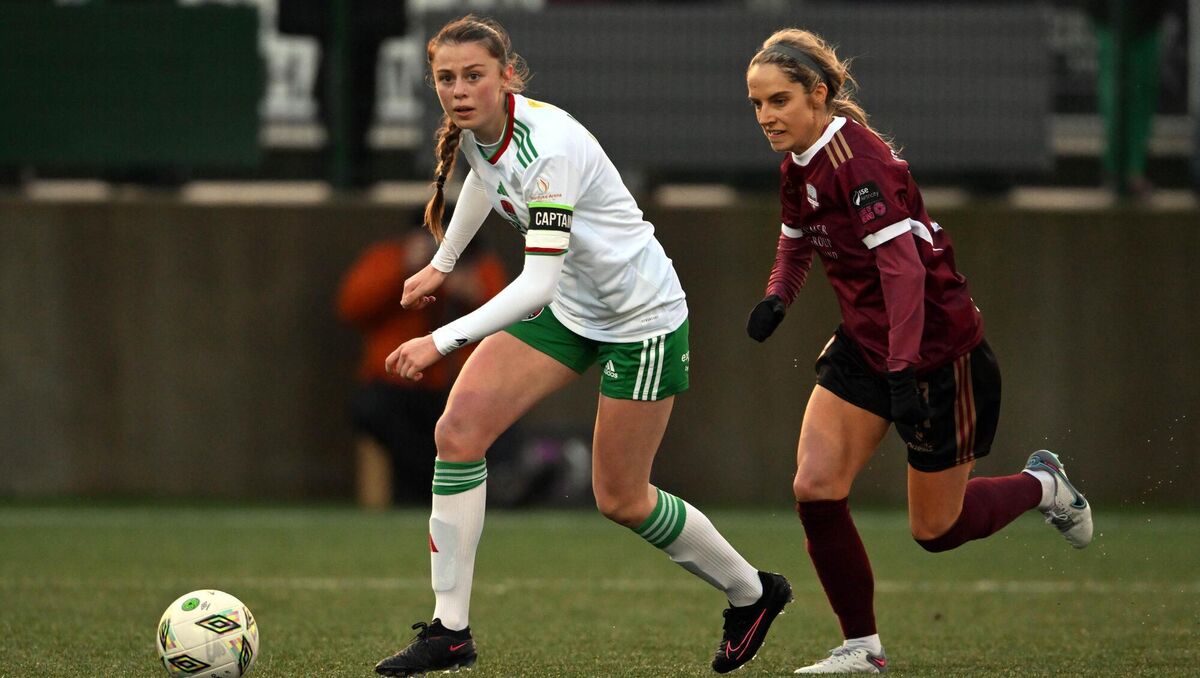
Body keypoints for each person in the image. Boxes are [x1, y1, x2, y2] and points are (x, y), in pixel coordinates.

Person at [373, 15, 792, 676]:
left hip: (640, 321)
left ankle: (753, 593)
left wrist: (441, 339)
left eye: (474, 75)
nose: (459, 89)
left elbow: (533, 284)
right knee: (457, 432)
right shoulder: (480, 130)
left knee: (621, 499)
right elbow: (483, 180)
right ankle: (450, 632)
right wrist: (444, 262)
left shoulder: (548, 146)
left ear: (506, 76)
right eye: (446, 78)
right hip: (571, 308)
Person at [742, 29, 1094, 673]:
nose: (765, 116)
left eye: (779, 100)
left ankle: (1042, 486)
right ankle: (862, 649)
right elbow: (795, 241)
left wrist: (903, 365)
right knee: (815, 487)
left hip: (936, 354)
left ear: (819, 96)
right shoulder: (796, 164)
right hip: (866, 347)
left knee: (936, 530)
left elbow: (903, 274)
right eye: (757, 104)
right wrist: (778, 299)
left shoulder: (860, 162)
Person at [336, 225, 507, 506]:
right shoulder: (391, 258)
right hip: (400, 384)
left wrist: (474, 296)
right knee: (374, 410)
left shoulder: (478, 264)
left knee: (493, 418)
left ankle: (493, 490)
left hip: (461, 384)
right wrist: (404, 269)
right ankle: (423, 485)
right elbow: (352, 306)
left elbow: (511, 319)